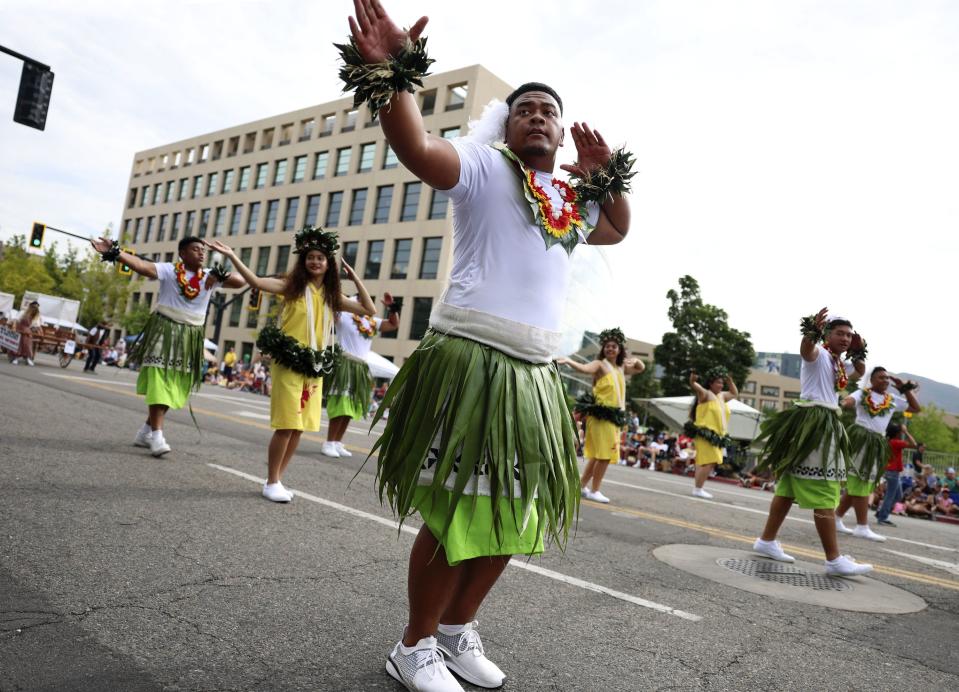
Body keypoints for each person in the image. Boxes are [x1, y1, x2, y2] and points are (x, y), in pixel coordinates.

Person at [341, 2, 634, 688]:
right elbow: (416, 148)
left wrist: (604, 171)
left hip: (533, 377)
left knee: (514, 514)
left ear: (561, 133)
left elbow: (617, 229)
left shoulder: (568, 196)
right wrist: (392, 75)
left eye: (547, 111)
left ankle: (453, 631)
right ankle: (411, 645)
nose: (536, 115)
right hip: (470, 362)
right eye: (524, 107)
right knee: (455, 510)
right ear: (507, 124)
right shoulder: (480, 168)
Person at [207, 230, 375, 502]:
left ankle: (277, 480)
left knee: (299, 427)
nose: (315, 262)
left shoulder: (332, 296)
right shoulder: (292, 286)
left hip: (314, 366)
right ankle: (271, 480)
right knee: (286, 425)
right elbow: (255, 281)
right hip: (288, 362)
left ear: (328, 263)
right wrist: (232, 256)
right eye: (310, 257)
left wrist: (354, 277)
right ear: (303, 261)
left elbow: (369, 310)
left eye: (321, 258)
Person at [90, 236, 246, 456]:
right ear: (182, 254)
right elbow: (143, 267)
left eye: (203, 250)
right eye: (195, 249)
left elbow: (240, 281)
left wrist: (219, 274)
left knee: (173, 386)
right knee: (159, 382)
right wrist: (116, 252)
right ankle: (157, 436)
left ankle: (146, 431)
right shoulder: (170, 271)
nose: (201, 253)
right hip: (164, 331)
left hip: (190, 337)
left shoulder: (210, 276)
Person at [752, 309, 873, 576]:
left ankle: (766, 541)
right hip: (814, 423)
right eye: (840, 333)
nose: (845, 338)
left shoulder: (839, 363)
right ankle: (833, 559)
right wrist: (812, 332)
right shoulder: (818, 355)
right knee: (824, 488)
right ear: (827, 334)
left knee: (787, 489)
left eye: (849, 335)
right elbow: (806, 350)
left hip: (822, 422)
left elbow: (860, 371)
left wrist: (858, 350)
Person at [559, 328, 645, 504]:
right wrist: (569, 361)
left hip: (614, 418)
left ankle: (581, 486)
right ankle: (595, 490)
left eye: (614, 346)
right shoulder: (600, 364)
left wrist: (636, 360)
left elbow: (640, 368)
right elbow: (584, 368)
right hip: (601, 416)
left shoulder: (620, 367)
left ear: (620, 349)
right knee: (604, 455)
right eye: (607, 346)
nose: (610, 349)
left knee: (599, 455)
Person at [835, 368, 920, 541]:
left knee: (859, 484)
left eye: (887, 378)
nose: (885, 380)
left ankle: (836, 518)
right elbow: (850, 400)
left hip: (876, 443)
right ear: (871, 379)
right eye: (881, 377)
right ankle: (861, 526)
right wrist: (841, 404)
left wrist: (903, 388)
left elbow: (915, 408)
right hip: (861, 439)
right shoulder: (862, 393)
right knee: (861, 480)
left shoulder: (892, 399)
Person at [321, 292, 399, 458]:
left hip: (361, 368)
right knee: (341, 404)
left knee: (351, 407)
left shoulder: (371, 321)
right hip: (344, 364)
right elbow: (331, 314)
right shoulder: (344, 314)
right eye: (361, 301)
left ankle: (337, 442)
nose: (366, 305)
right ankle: (328, 442)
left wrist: (392, 308)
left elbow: (393, 325)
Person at [686, 367, 738, 499]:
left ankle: (697, 488)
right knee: (712, 460)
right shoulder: (706, 394)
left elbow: (734, 393)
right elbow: (696, 386)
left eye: (722, 383)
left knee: (702, 462)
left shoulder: (722, 396)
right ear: (710, 383)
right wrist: (692, 381)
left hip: (717, 436)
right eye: (718, 382)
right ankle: (698, 488)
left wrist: (730, 380)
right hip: (705, 434)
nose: (720, 385)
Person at [873, 423, 918, 526]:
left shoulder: (887, 441)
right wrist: (905, 431)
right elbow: (914, 444)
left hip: (890, 471)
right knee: (890, 495)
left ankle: (881, 512)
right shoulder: (896, 442)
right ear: (897, 433)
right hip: (893, 472)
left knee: (898, 495)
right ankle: (882, 518)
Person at [11, 301, 41, 366]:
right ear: (30, 307)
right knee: (18, 343)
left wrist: (38, 330)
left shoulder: (36, 316)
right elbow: (16, 320)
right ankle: (15, 358)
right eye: (33, 307)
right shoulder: (23, 312)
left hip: (27, 330)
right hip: (19, 329)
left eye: (35, 308)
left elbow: (37, 325)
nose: (34, 309)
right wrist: (14, 327)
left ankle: (28, 358)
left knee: (27, 343)